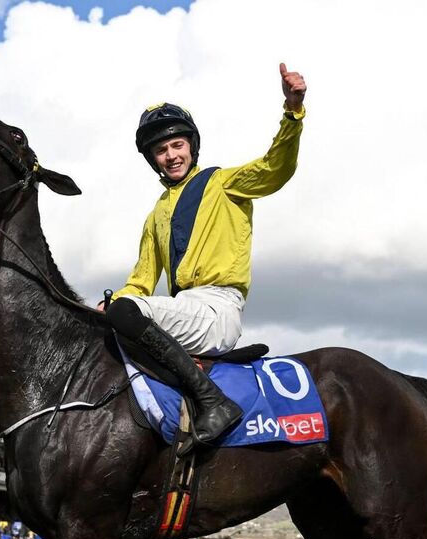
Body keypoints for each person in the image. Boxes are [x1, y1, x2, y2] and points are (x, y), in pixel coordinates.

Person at [103, 63, 308, 444]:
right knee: (111, 317)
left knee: (124, 310)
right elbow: (140, 281)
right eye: (161, 150)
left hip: (217, 309)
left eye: (177, 145)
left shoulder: (223, 182)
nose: (171, 155)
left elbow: (275, 168)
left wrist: (292, 110)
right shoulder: (155, 216)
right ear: (153, 160)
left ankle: (213, 402)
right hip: (182, 310)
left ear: (191, 146)